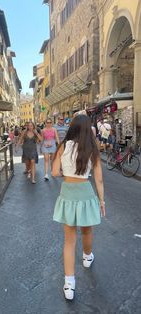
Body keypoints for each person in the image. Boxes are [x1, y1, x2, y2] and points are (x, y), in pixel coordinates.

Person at [51, 115, 105, 301]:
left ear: (72, 128)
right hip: (85, 192)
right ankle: (87, 256)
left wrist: (67, 173)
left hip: (68, 193)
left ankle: (69, 284)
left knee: (69, 241)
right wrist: (102, 201)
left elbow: (55, 172)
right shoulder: (92, 149)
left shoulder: (63, 146)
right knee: (87, 231)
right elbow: (98, 179)